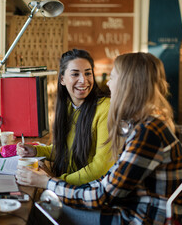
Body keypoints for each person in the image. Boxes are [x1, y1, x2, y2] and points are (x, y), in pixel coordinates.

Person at [16, 52, 182, 224]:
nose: (108, 84)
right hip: (130, 207)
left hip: (140, 219)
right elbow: (110, 179)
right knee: (49, 204)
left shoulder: (148, 133)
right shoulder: (145, 125)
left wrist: (48, 182)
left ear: (128, 85)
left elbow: (102, 195)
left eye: (112, 78)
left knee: (44, 210)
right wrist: (52, 179)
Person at [17, 49, 113, 186]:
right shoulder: (68, 106)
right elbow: (65, 151)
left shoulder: (106, 108)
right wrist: (35, 150)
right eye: (75, 74)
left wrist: (54, 182)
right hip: (67, 188)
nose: (83, 80)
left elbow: (100, 168)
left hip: (89, 192)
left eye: (88, 73)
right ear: (62, 79)